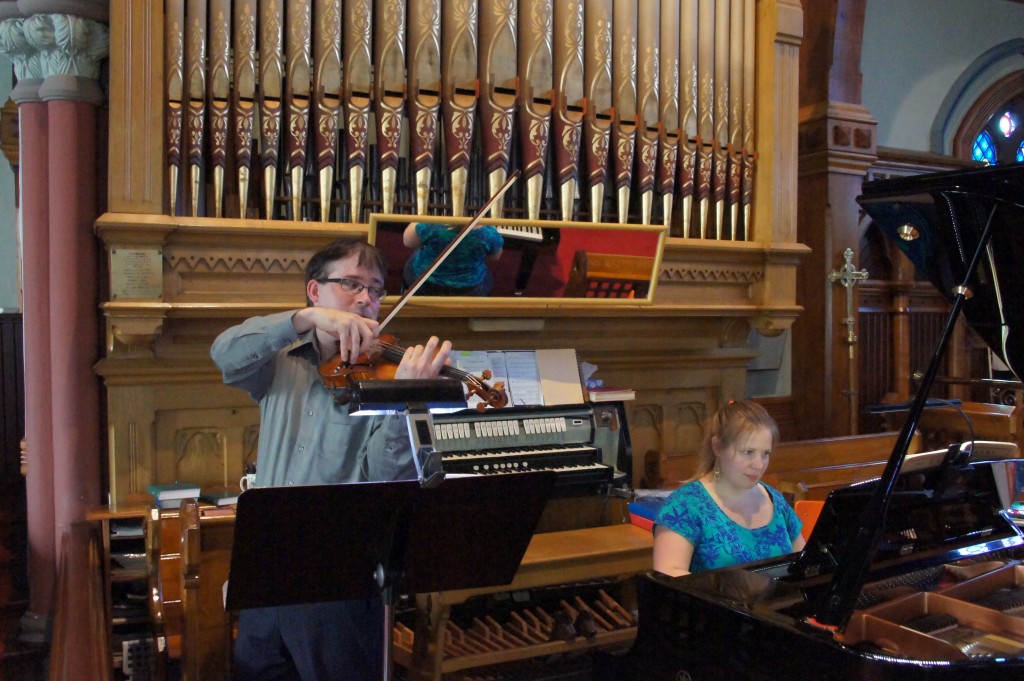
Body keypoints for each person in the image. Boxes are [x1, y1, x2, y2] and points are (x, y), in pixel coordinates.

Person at [211, 237, 452, 681]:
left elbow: (383, 475)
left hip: (335, 583)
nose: (366, 299)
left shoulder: (385, 378)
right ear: (315, 291)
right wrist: (301, 321)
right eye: (350, 284)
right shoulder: (278, 363)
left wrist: (405, 398)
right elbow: (224, 353)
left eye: (376, 290)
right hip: (265, 573)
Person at [652, 400, 805, 577]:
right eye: (748, 452)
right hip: (712, 604)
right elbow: (669, 577)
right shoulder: (684, 506)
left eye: (765, 454)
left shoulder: (774, 499)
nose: (758, 465)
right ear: (717, 447)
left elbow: (804, 564)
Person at [402, 221, 503, 296]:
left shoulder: (430, 225)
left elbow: (408, 242)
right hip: (470, 288)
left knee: (418, 250)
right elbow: (495, 257)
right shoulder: (488, 233)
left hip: (425, 283)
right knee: (483, 267)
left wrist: (421, 214)